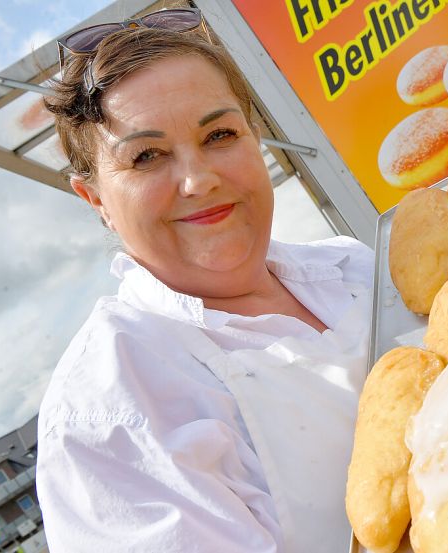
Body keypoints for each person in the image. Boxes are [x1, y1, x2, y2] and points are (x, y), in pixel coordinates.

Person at [36, 8, 372, 552]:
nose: (198, 180)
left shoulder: (355, 266)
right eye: (146, 156)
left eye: (219, 134)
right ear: (95, 199)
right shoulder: (110, 412)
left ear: (254, 137)